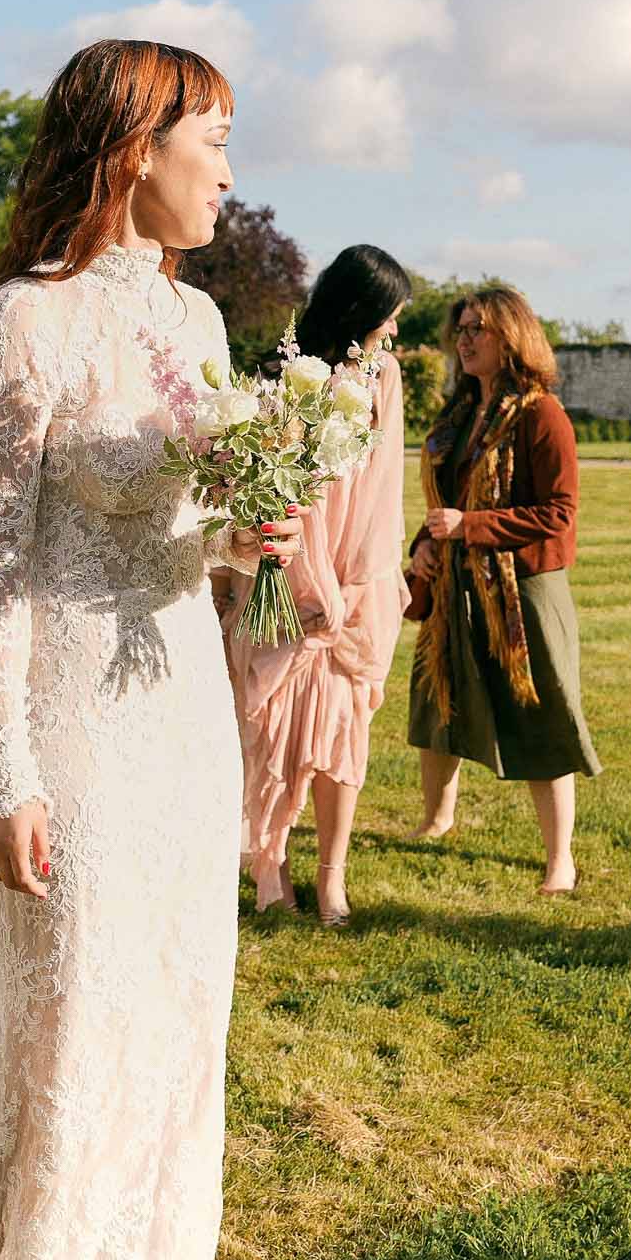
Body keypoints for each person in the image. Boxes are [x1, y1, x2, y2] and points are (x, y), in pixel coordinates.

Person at [0, 40, 302, 1260]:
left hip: (180, 706)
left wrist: (241, 536)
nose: (227, 172)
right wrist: (1, 768)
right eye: (211, 141)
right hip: (74, 722)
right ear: (133, 151)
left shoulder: (198, 318)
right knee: (77, 1002)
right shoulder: (25, 318)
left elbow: (191, 528)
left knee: (175, 999)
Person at [219, 245, 410, 927]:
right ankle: (270, 864)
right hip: (281, 571)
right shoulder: (282, 373)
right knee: (267, 729)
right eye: (390, 315)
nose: (394, 330)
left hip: (350, 582)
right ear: (362, 307)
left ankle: (333, 877)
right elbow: (256, 478)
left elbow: (381, 488)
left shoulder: (381, 374)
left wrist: (349, 584)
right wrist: (286, 568)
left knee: (340, 731)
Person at [406, 281, 600, 894]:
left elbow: (559, 515)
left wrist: (473, 527)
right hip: (458, 583)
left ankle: (559, 859)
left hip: (525, 593)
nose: (463, 341)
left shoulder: (543, 414)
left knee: (541, 716)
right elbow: (449, 501)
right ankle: (437, 819)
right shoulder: (459, 414)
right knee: (439, 698)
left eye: (476, 330)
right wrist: (425, 544)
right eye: (458, 330)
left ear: (510, 336)